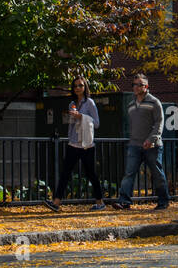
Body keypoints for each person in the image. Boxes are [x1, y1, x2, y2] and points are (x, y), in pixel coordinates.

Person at [45, 77, 105, 211]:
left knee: (91, 174)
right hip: (73, 143)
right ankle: (56, 203)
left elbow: (96, 123)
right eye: (75, 86)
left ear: (85, 87)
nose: (78, 88)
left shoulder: (89, 103)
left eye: (81, 85)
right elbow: (71, 124)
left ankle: (100, 202)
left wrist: (81, 117)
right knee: (65, 173)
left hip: (86, 145)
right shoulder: (72, 103)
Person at [111, 73, 169, 210]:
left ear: (146, 86)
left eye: (140, 84)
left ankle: (163, 201)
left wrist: (151, 139)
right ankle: (124, 201)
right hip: (134, 145)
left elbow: (159, 123)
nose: (136, 87)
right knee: (129, 174)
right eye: (134, 84)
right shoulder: (131, 104)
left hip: (153, 146)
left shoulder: (154, 102)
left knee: (157, 174)